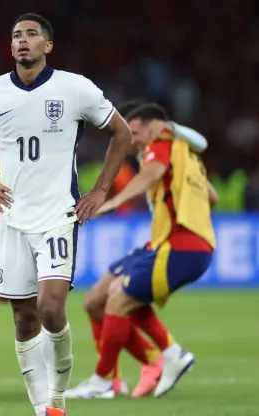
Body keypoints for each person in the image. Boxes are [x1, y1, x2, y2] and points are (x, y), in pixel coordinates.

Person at [0, 13, 133, 416]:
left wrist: (100, 190)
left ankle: (59, 397)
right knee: (22, 320)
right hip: (13, 219)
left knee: (51, 308)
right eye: (17, 35)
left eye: (32, 34)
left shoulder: (75, 88)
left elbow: (123, 133)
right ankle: (43, 409)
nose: (23, 41)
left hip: (57, 216)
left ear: (48, 46)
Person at [69, 102, 216, 399]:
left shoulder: (161, 142)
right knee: (96, 299)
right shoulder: (186, 155)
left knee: (119, 301)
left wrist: (110, 203)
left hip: (180, 246)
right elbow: (211, 197)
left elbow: (151, 173)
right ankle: (168, 354)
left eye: (135, 132)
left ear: (155, 127)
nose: (132, 139)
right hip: (167, 243)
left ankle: (104, 381)